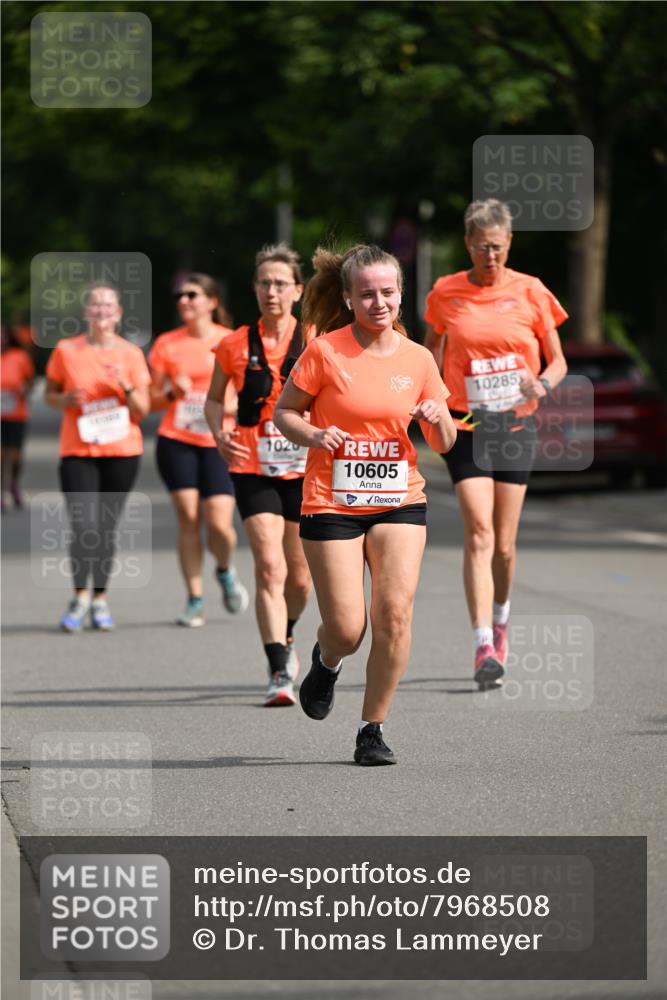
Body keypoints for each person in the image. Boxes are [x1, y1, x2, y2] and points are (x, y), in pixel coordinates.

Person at [273, 244, 456, 765]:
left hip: (399, 498)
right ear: (349, 299)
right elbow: (285, 413)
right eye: (367, 294)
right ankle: (327, 660)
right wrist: (313, 434)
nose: (379, 302)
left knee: (394, 614)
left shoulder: (418, 358)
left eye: (388, 293)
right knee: (349, 628)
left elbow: (444, 442)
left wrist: (434, 416)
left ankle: (371, 728)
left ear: (401, 296)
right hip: (331, 499)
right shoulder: (325, 352)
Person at [423, 198, 568, 689]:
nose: (490, 256)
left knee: (504, 546)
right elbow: (429, 353)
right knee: (478, 532)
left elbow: (558, 362)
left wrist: (542, 386)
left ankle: (501, 619)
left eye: (498, 247)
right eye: (482, 246)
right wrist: (430, 399)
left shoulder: (530, 291)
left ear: (509, 244)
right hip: (466, 424)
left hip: (514, 425)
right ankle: (482, 641)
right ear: (467, 243)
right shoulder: (445, 292)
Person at [205, 244, 312, 707]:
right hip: (253, 464)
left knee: (301, 578)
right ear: (254, 289)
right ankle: (277, 671)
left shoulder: (318, 338)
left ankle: (286, 634)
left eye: (281, 284)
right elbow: (213, 399)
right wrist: (218, 432)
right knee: (269, 565)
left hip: (307, 468)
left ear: (298, 290)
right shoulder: (232, 343)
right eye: (265, 283)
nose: (272, 291)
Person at [44, 282, 151, 632]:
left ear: (118, 313)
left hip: (121, 451)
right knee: (83, 525)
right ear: (86, 312)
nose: (102, 311)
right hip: (78, 450)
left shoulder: (131, 355)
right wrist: (66, 400)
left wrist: (126, 385)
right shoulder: (66, 350)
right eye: (96, 305)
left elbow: (142, 411)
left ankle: (101, 600)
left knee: (105, 528)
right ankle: (79, 597)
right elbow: (49, 394)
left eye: (109, 305)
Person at [148, 273, 248, 627]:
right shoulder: (166, 344)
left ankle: (224, 569)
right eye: (180, 295)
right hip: (177, 440)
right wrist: (174, 393)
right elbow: (148, 401)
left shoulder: (232, 341)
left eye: (192, 295)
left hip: (220, 441)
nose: (184, 301)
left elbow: (253, 391)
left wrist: (227, 407)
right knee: (188, 518)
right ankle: (194, 598)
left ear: (212, 301)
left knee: (219, 523)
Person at [1, 322, 35, 510]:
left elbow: (30, 382)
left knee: (14, 456)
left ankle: (13, 482)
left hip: (16, 414)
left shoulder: (20, 357)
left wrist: (25, 389)